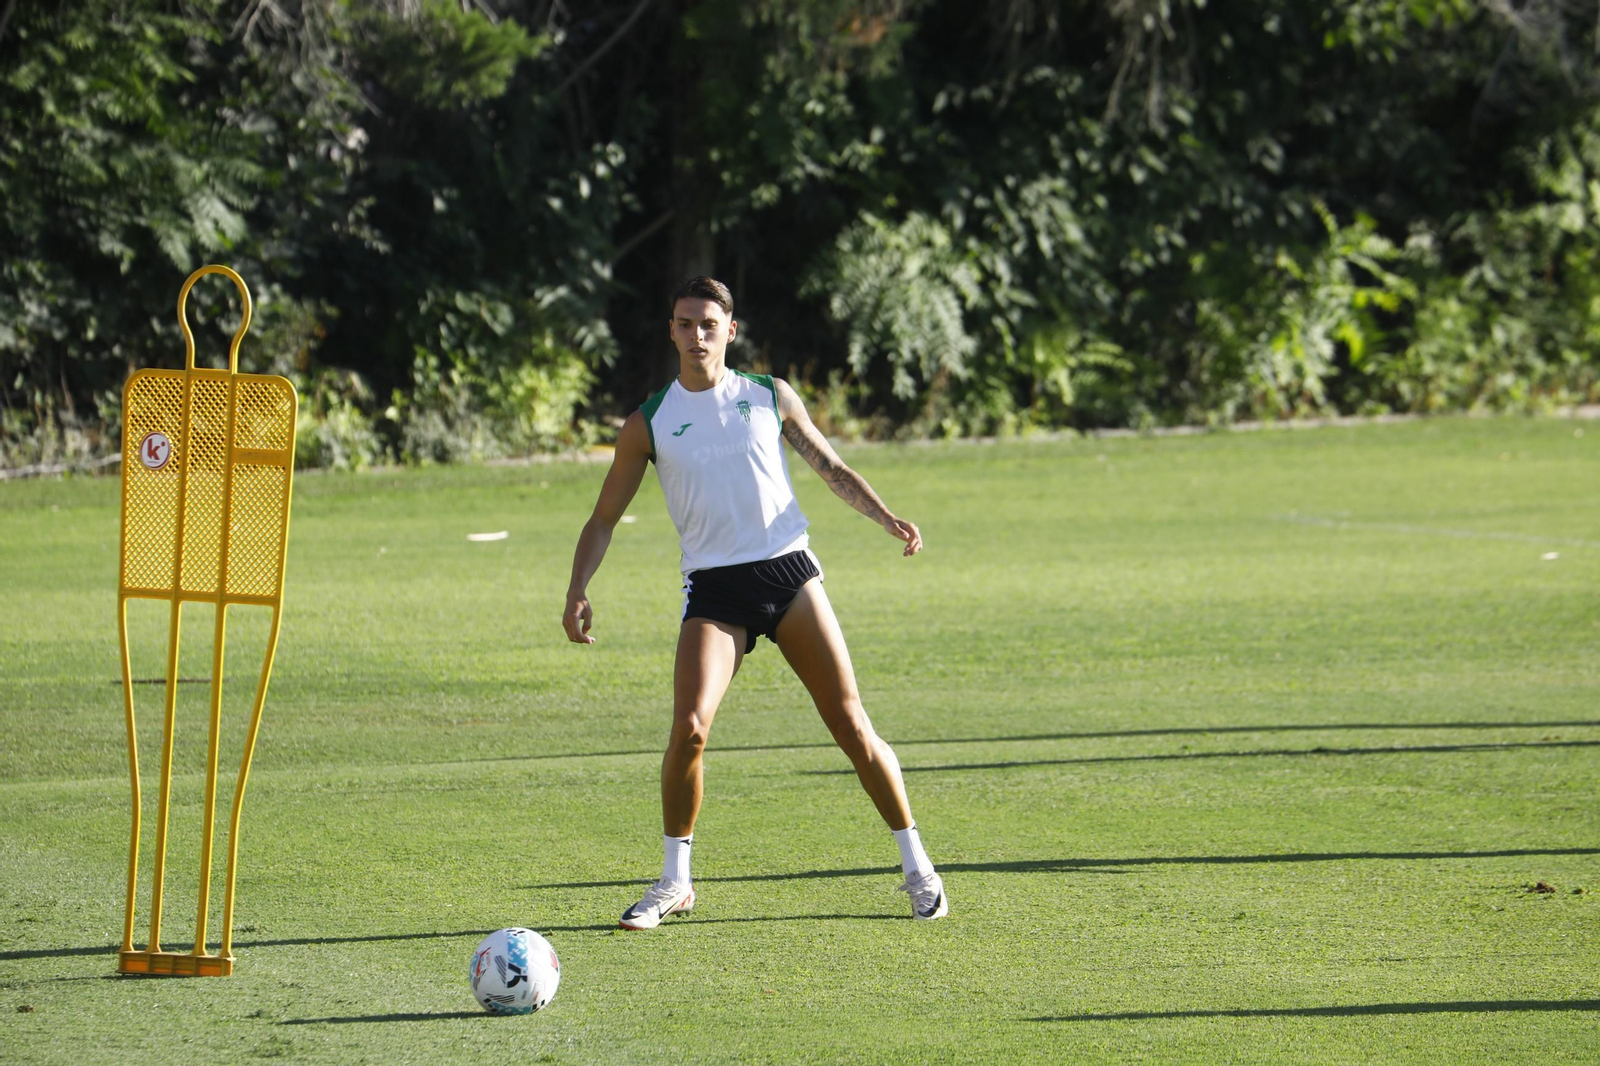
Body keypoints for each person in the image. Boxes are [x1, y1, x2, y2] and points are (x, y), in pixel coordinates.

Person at [562, 275, 947, 928]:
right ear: (672, 331)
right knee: (688, 728)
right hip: (715, 591)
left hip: (790, 576)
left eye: (709, 324)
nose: (697, 335)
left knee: (852, 727)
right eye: (685, 324)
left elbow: (831, 468)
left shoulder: (768, 396)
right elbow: (602, 518)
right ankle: (674, 882)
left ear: (730, 332)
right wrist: (578, 588)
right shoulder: (649, 422)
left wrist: (887, 518)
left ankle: (918, 868)